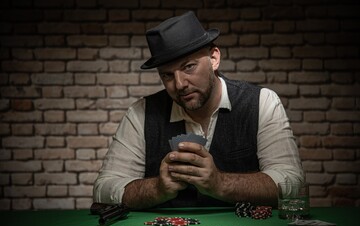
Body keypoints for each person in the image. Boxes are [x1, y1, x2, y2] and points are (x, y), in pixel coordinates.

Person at [93, 11, 304, 209]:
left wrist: (221, 183)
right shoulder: (141, 113)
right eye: (167, 75)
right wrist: (156, 189)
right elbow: (104, 188)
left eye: (188, 67)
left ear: (214, 58)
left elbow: (294, 184)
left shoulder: (262, 102)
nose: (179, 84)